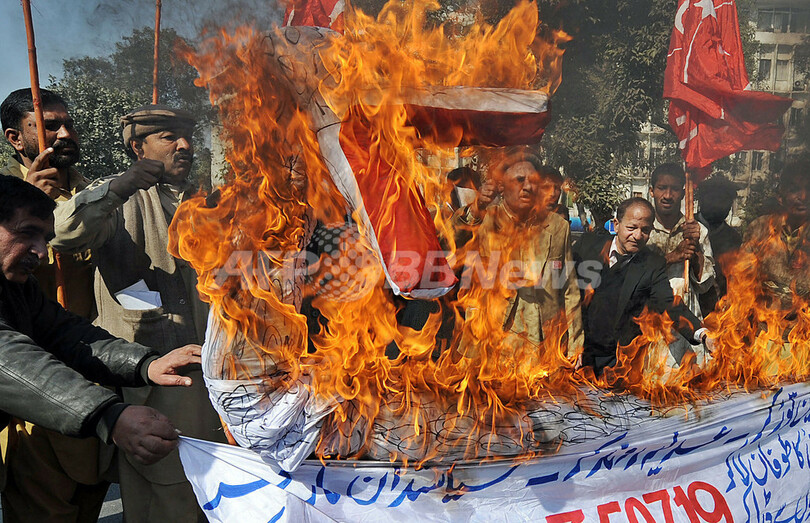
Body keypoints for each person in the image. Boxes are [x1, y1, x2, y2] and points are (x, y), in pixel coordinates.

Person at [51, 105, 226, 522]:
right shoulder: (117, 199)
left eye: (187, 136)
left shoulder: (207, 200)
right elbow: (61, 233)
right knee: (167, 489)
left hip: (214, 372)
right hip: (154, 376)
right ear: (137, 147)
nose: (184, 146)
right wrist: (122, 186)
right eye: (168, 137)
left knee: (212, 486)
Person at [0, 175, 203, 513]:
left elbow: (67, 334)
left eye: (45, 239)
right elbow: (12, 361)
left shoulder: (18, 287)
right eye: (26, 232)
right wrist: (108, 416)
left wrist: (146, 364)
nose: (41, 252)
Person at [0, 88, 107, 522]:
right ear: (15, 138)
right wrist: (26, 201)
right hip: (32, 386)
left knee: (87, 504)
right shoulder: (5, 200)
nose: (64, 134)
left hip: (92, 371)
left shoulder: (97, 195)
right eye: (48, 126)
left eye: (68, 124)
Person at [453, 151, 583, 358]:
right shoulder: (484, 219)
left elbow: (569, 288)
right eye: (520, 180)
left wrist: (575, 343)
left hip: (539, 342)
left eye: (533, 181)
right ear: (501, 187)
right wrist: (477, 208)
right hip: (489, 336)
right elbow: (450, 242)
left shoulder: (558, 226)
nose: (528, 187)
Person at [573, 197, 708, 375]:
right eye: (631, 228)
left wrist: (703, 334)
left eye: (645, 230)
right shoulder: (586, 246)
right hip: (577, 351)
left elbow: (669, 304)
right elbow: (564, 292)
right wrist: (571, 342)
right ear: (616, 225)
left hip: (618, 360)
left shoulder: (652, 264)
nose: (637, 236)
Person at [646, 163, 715, 365]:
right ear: (651, 191)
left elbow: (705, 284)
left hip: (688, 322)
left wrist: (696, 250)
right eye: (662, 188)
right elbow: (635, 276)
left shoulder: (697, 230)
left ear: (684, 193)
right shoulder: (642, 229)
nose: (668, 195)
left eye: (675, 189)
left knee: (690, 378)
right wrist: (672, 257)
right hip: (651, 322)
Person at [743, 159, 810, 312]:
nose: (803, 196)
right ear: (781, 196)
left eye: (808, 189)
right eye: (794, 190)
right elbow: (742, 279)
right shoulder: (760, 228)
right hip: (764, 319)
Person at [696, 176, 742, 315]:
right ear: (701, 200)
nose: (718, 206)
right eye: (713, 199)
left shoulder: (733, 239)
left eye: (724, 200)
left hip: (718, 312)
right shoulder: (686, 228)